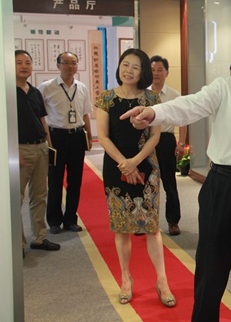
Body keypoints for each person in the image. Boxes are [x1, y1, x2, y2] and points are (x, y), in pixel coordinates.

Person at [121, 23, 231, 322]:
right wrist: (155, 113)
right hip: (221, 185)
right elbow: (189, 106)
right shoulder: (225, 88)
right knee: (210, 269)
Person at [96, 48, 175, 307]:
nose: (128, 70)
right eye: (125, 64)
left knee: (151, 227)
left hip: (147, 168)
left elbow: (155, 135)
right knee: (122, 228)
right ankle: (126, 279)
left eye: (135, 67)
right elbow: (103, 136)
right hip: (116, 168)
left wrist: (136, 162)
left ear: (143, 73)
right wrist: (125, 164)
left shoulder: (152, 98)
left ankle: (162, 281)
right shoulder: (106, 98)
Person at [38, 51, 93, 234]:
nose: (70, 66)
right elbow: (40, 116)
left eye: (74, 62)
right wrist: (47, 140)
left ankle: (70, 219)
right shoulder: (46, 87)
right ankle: (54, 221)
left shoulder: (82, 88)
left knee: (75, 180)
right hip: (56, 137)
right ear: (58, 65)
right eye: (66, 62)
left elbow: (85, 114)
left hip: (77, 137)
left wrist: (89, 136)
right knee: (55, 180)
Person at [15, 50, 61, 255]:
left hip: (40, 147)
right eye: (19, 63)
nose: (24, 66)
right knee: (16, 198)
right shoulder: (6, 93)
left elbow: (43, 120)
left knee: (40, 195)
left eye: (27, 62)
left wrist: (49, 147)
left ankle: (39, 237)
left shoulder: (34, 92)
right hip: (19, 150)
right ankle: (17, 244)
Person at [149, 55, 187, 236]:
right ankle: (145, 220)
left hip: (165, 140)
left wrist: (181, 143)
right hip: (147, 141)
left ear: (167, 72)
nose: (156, 73)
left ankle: (173, 222)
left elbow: (183, 120)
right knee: (147, 183)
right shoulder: (142, 93)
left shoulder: (174, 95)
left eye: (159, 70)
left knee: (169, 182)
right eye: (152, 70)